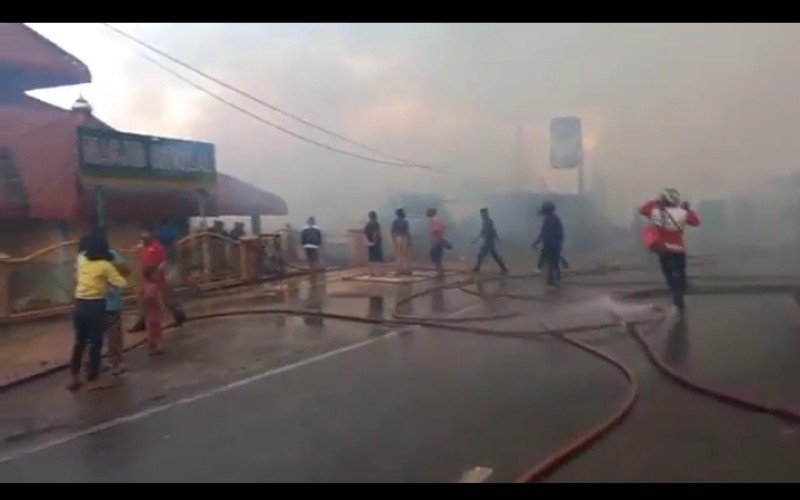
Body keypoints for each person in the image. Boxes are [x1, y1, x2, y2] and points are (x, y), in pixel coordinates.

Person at [69, 233, 129, 391]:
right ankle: (93, 380)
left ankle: (74, 377)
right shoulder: (105, 265)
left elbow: (77, 274)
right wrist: (110, 284)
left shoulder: (81, 259)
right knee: (96, 343)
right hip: (95, 305)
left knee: (80, 342)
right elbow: (122, 283)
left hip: (79, 304)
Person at [639, 188, 701, 315]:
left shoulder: (656, 211)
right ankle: (680, 300)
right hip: (679, 250)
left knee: (671, 278)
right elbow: (696, 222)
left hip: (664, 250)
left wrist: (656, 202)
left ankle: (677, 304)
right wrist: (688, 209)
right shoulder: (683, 212)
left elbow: (643, 210)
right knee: (681, 275)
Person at [128, 224, 187, 333]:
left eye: (146, 233)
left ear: (151, 234)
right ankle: (142, 322)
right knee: (143, 300)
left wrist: (160, 271)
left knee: (167, 299)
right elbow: (139, 251)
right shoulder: (143, 247)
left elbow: (164, 261)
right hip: (147, 278)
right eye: (142, 233)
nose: (143, 235)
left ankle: (180, 316)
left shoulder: (157, 246)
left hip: (158, 277)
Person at [532, 200, 565, 288]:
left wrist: (555, 244)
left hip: (552, 245)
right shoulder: (550, 219)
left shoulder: (553, 220)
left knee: (553, 263)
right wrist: (537, 242)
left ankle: (553, 282)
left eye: (544, 210)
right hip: (550, 244)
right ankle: (554, 280)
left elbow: (558, 234)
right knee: (553, 263)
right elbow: (543, 233)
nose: (543, 212)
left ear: (548, 210)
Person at [472, 208, 508, 274]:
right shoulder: (484, 222)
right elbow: (482, 232)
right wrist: (476, 239)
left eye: (483, 214)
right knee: (489, 256)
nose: (482, 216)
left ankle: (477, 268)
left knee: (483, 255)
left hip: (489, 243)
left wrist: (497, 239)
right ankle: (504, 268)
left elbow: (493, 231)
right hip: (487, 242)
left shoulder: (489, 221)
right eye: (481, 214)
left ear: (486, 214)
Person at [141, 266, 165, 355]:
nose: (156, 275)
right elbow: (149, 298)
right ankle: (156, 347)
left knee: (153, 330)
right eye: (154, 274)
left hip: (152, 313)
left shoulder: (147, 286)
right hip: (154, 313)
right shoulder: (152, 286)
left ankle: (154, 347)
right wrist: (157, 304)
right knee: (155, 331)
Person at [427, 208, 448, 275]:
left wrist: (437, 240)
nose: (427, 213)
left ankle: (440, 271)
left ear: (432, 213)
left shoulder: (436, 220)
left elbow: (437, 230)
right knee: (437, 256)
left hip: (437, 241)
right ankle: (440, 271)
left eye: (429, 212)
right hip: (437, 240)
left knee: (436, 256)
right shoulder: (436, 219)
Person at [391, 208, 412, 276]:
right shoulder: (405, 222)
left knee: (399, 255)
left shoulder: (395, 222)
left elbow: (392, 231)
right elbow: (407, 232)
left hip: (398, 238)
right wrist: (409, 240)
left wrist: (394, 240)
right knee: (405, 255)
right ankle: (406, 270)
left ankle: (399, 270)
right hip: (404, 238)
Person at [363, 211, 384, 276]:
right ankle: (376, 272)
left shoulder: (369, 225)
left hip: (372, 242)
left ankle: (372, 272)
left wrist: (369, 242)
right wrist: (373, 241)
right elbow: (377, 233)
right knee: (376, 258)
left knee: (372, 258)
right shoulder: (375, 224)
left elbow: (365, 234)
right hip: (374, 242)